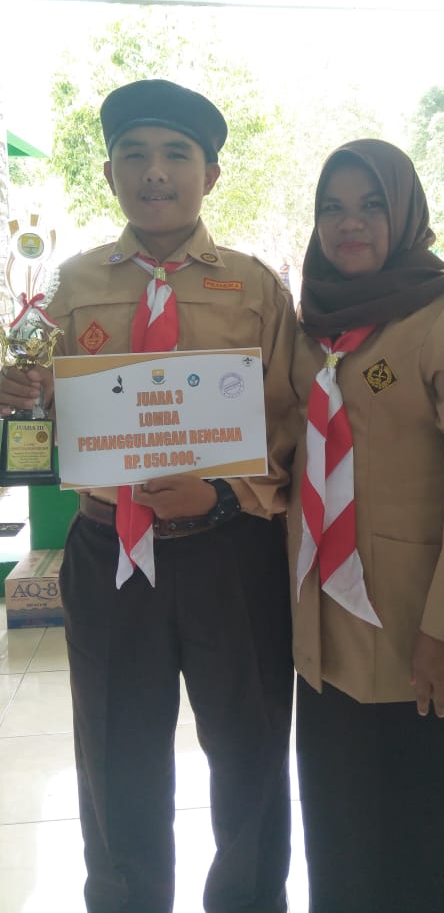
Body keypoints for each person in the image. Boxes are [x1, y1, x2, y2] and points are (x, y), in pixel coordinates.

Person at [0, 79, 298, 913]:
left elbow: (291, 423)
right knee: (116, 751)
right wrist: (20, 393)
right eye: (133, 155)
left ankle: (249, 900)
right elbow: (35, 398)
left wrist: (225, 494)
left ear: (211, 174)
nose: (154, 172)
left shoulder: (255, 288)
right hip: (110, 549)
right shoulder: (68, 285)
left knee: (248, 749)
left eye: (175, 155)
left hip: (229, 552)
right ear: (109, 174)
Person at [287, 139, 444, 913]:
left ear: (405, 212)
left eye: (370, 205)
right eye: (332, 207)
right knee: (340, 834)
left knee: (427, 848)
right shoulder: (313, 319)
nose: (348, 223)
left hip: (418, 627)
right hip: (326, 630)